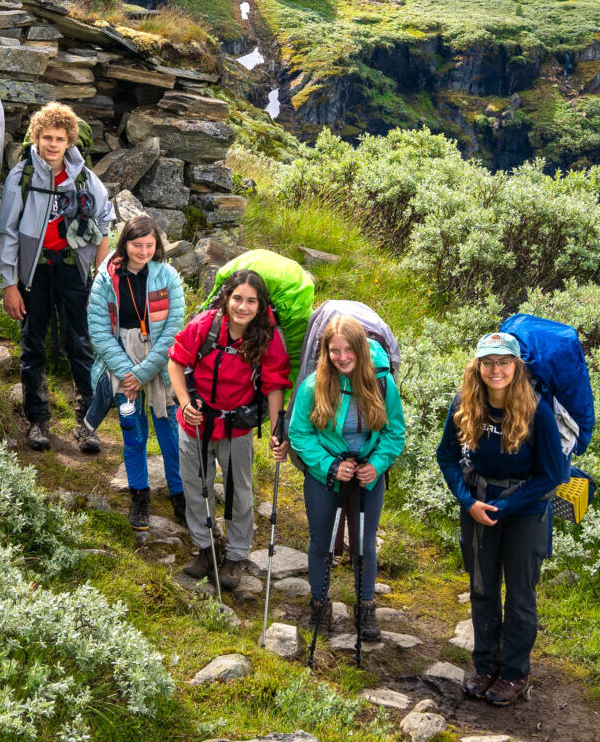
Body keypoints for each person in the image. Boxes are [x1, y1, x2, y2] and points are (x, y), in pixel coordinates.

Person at [434, 331, 569, 709]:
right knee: (482, 589)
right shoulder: (464, 403)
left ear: (516, 366)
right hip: (476, 508)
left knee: (521, 596)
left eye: (504, 362)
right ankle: (484, 666)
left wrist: (504, 507)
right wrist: (468, 501)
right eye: (488, 362)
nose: (496, 369)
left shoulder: (537, 409)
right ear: (477, 365)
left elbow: (551, 475)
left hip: (524, 513)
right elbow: (446, 456)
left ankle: (513, 672)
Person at [0, 101, 113, 453]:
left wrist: (101, 274)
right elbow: (8, 232)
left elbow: (104, 221)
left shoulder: (83, 178)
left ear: (69, 141)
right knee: (33, 345)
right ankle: (37, 421)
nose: (52, 144)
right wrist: (9, 284)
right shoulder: (22, 176)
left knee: (81, 344)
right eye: (46, 137)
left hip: (73, 270)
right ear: (36, 137)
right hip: (35, 273)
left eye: (59, 138)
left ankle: (87, 424)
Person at [287, 314, 407, 644]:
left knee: (365, 545)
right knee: (322, 542)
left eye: (348, 350)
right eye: (334, 350)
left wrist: (378, 464)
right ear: (325, 351)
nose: (341, 357)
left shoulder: (382, 383)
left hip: (367, 474)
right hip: (325, 475)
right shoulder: (314, 385)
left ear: (360, 350)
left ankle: (365, 606)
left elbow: (395, 431)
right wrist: (328, 465)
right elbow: (299, 432)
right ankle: (319, 605)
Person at [168, 268, 288, 588]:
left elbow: (275, 385)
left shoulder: (267, 338)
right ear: (226, 298)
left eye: (251, 301)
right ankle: (207, 547)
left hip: (236, 426)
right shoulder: (205, 326)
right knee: (196, 487)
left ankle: (235, 557)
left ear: (261, 305)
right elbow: (176, 362)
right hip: (195, 422)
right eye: (237, 298)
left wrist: (278, 430)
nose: (243, 307)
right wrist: (184, 403)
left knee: (239, 492)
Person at [85, 214, 187, 532]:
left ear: (157, 246)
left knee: (170, 435)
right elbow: (99, 330)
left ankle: (181, 497)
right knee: (133, 434)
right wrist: (128, 373)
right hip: (121, 363)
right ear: (125, 243)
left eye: (149, 245)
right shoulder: (106, 277)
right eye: (136, 244)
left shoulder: (168, 277)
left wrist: (143, 373)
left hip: (159, 366)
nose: (142, 251)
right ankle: (139, 496)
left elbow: (172, 331)